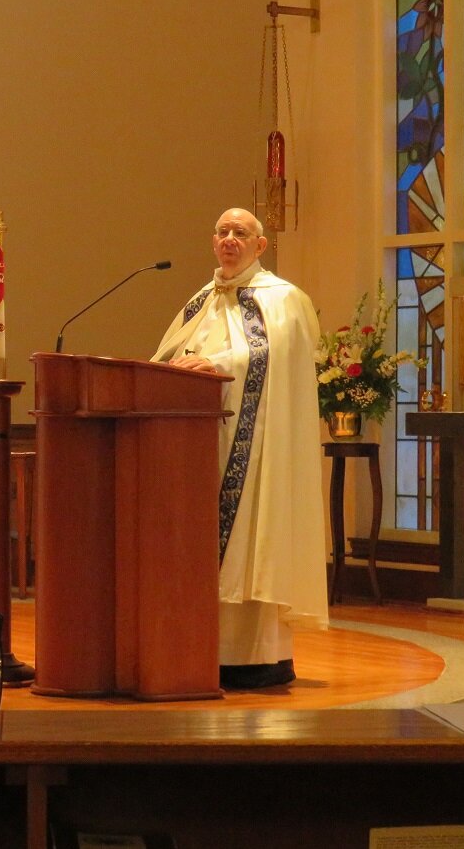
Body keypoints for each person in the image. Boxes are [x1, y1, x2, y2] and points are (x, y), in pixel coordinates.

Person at [151, 207, 328, 690]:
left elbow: (277, 357)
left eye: (241, 233)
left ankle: (254, 657)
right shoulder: (201, 300)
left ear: (260, 245)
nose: (230, 239)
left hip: (255, 447)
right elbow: (166, 357)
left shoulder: (284, 298)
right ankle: (198, 646)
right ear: (213, 242)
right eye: (223, 232)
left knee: (252, 538)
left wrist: (215, 363)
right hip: (195, 447)